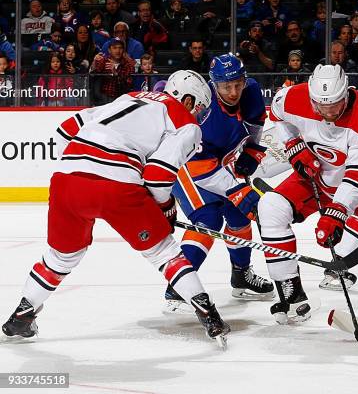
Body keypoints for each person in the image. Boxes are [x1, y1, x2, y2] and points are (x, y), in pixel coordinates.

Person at [2, 70, 233, 344]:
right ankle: (209, 317)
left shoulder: (127, 98)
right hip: (117, 185)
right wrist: (167, 206)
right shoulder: (185, 122)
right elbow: (158, 175)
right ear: (188, 100)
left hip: (66, 181)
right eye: (200, 109)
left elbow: (65, 130)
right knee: (165, 253)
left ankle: (21, 316)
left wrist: (85, 163)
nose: (198, 116)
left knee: (59, 258)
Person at [259, 64, 358, 320]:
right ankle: (291, 296)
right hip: (315, 177)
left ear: (346, 94)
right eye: (320, 106)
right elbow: (278, 116)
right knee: (271, 207)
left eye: (334, 105)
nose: (327, 112)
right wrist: (293, 145)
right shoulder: (295, 96)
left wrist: (337, 212)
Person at [164, 54, 273, 312]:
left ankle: (241, 274)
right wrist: (237, 189)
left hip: (218, 163)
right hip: (188, 165)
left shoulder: (252, 91)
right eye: (226, 86)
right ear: (213, 85)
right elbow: (202, 169)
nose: (233, 91)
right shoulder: (204, 111)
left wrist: (253, 151)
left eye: (238, 83)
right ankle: (178, 289)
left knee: (238, 214)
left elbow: (256, 124)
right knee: (208, 220)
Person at [91, 37, 136, 104]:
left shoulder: (128, 65)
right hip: (103, 100)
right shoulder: (103, 61)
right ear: (109, 50)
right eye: (115, 48)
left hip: (120, 100)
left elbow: (127, 87)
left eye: (120, 48)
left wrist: (116, 74)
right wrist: (94, 63)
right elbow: (92, 77)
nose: (118, 51)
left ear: (123, 50)